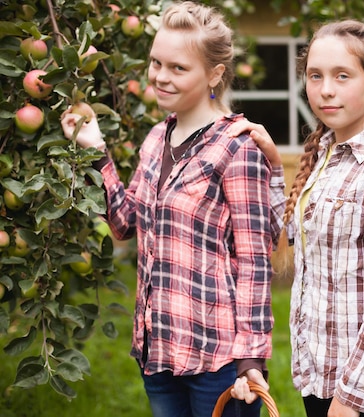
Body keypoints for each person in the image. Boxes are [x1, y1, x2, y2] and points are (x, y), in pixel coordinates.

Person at [60, 2, 285, 416]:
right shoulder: (154, 138)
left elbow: (255, 259)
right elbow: (126, 223)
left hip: (216, 360)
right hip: (158, 349)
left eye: (178, 68)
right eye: (156, 63)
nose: (160, 77)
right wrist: (94, 149)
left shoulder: (237, 147)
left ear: (214, 74)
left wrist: (251, 358)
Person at [229, 19, 364, 417]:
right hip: (324, 372)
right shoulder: (329, 154)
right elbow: (299, 237)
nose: (325, 89)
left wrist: (350, 399)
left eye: (342, 75)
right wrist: (276, 166)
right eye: (315, 76)